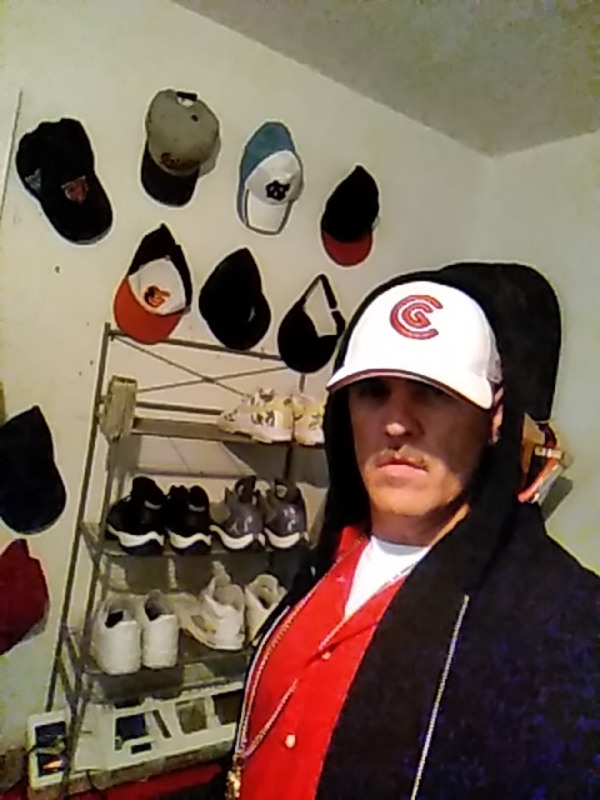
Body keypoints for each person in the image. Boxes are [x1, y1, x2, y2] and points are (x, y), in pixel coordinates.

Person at [219, 262, 599, 800]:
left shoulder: (565, 624)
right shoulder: (326, 561)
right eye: (373, 391)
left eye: (432, 392)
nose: (397, 423)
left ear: (494, 417)